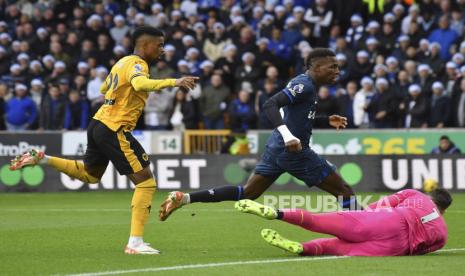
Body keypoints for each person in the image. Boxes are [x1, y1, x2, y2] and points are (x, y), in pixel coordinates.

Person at [9, 26, 198, 255]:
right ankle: (135, 243)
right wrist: (174, 82)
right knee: (146, 182)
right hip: (115, 128)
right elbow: (139, 84)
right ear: (145, 45)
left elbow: (103, 87)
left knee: (90, 175)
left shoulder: (121, 63)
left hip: (98, 123)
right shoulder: (138, 64)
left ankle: (43, 158)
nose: (162, 49)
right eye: (159, 44)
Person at [159, 48, 359, 221]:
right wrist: (288, 136)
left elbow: (296, 117)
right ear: (316, 68)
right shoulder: (304, 85)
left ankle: (183, 198)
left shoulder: (306, 85)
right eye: (332, 66)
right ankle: (367, 228)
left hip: (277, 148)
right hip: (293, 151)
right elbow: (270, 104)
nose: (337, 71)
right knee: (343, 190)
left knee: (248, 193)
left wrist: (324, 120)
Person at [235, 187, 451, 256]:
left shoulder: (417, 195)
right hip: (396, 246)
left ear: (431, 196)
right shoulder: (443, 235)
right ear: (443, 209)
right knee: (335, 248)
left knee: (317, 221)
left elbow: (385, 202)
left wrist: (365, 215)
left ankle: (276, 213)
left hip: (390, 220)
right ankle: (302, 249)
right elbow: (421, 250)